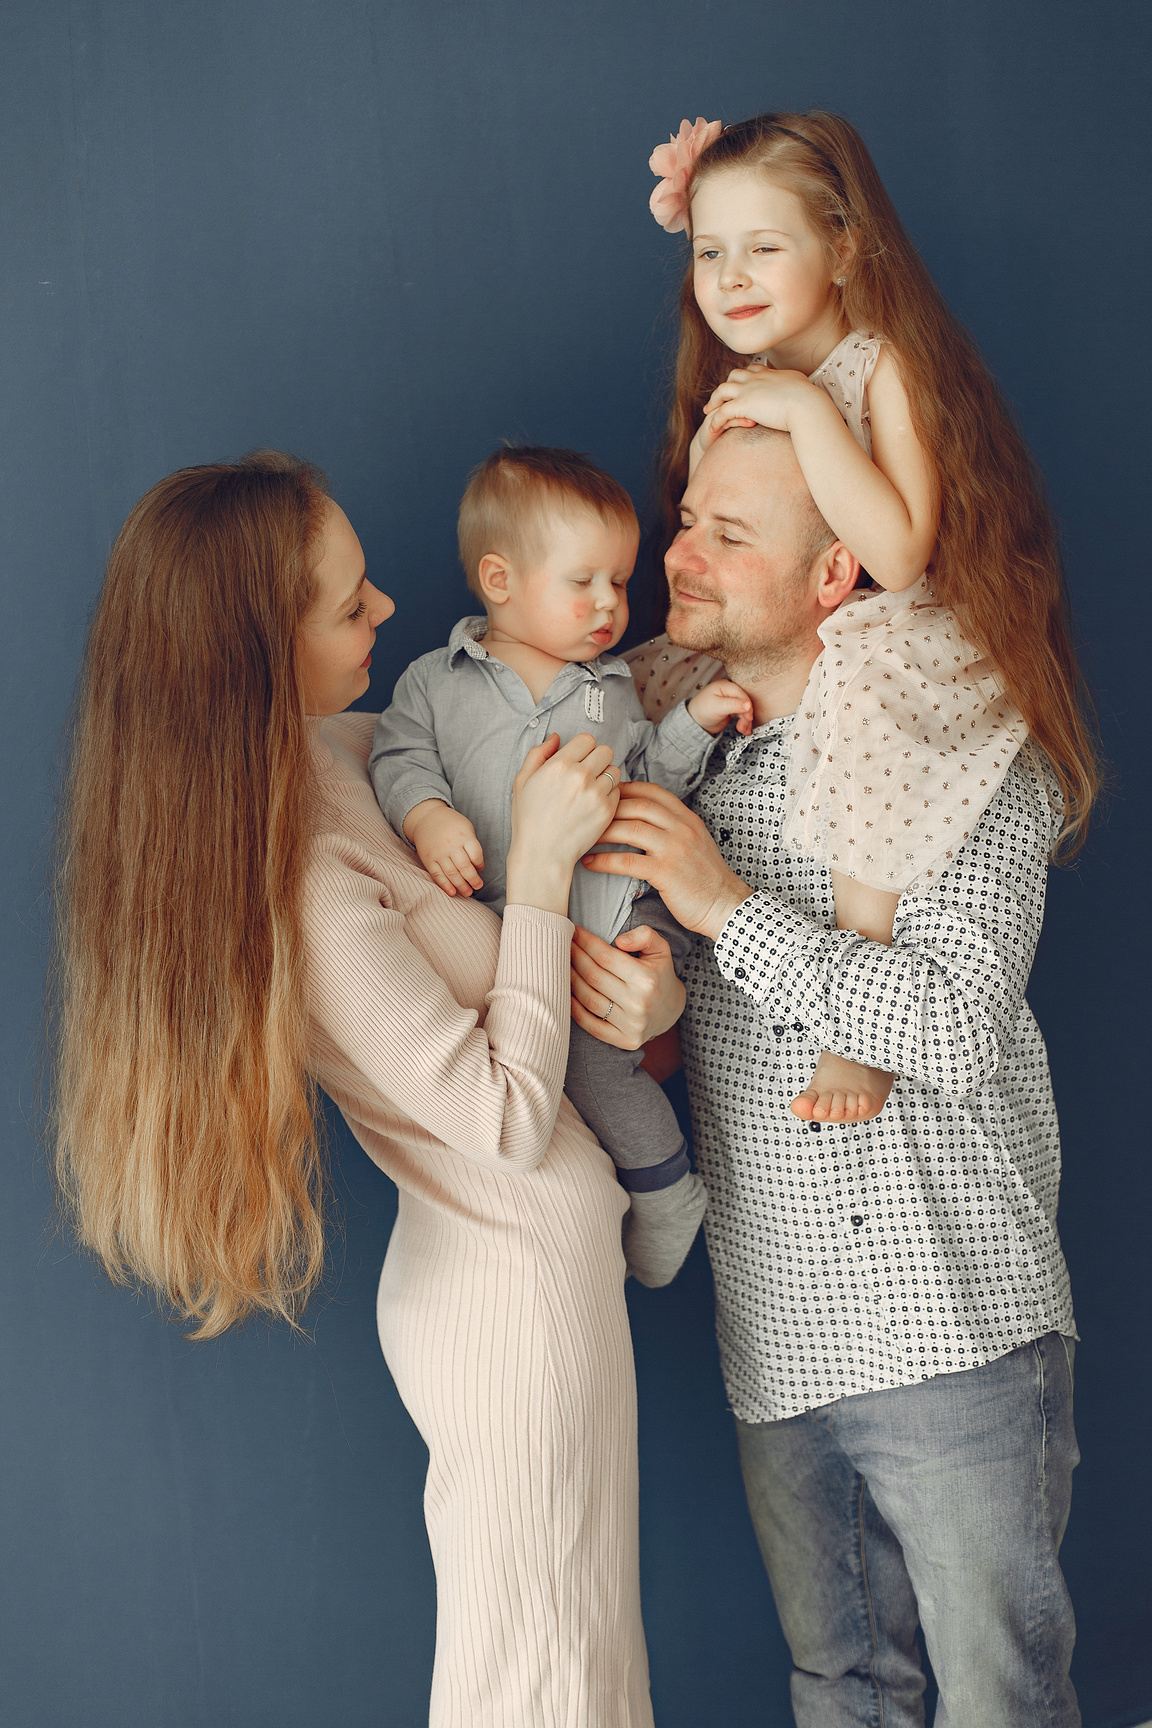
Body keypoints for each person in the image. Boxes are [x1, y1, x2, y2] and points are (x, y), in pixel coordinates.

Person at [51, 450, 683, 1727]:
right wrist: (550, 874)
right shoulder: (299, 878)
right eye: (347, 607)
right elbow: (504, 1117)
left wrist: (651, 998)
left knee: (568, 1663)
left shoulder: (335, 754)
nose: (390, 608)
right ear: (257, 652)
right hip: (511, 1306)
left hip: (531, 1281)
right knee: (549, 1685)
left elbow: (519, 730)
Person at [584, 425, 1095, 1727]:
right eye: (686, 518)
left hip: (950, 1321)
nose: (679, 555)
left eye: (728, 535)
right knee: (842, 1689)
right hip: (773, 1332)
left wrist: (724, 905)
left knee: (1000, 1698)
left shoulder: (968, 746)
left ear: (833, 577)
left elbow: (955, 1030)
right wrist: (657, 1006)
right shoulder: (685, 746)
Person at [634, 110, 1096, 1128]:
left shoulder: (877, 363)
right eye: (711, 251)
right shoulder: (729, 381)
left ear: (843, 248)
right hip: (811, 631)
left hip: (896, 624)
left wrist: (802, 411)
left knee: (867, 716)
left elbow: (895, 554)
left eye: (765, 246)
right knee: (646, 678)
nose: (731, 277)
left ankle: (860, 1015)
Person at [370, 445, 752, 1286]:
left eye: (618, 583)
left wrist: (692, 721)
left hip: (629, 906)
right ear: (500, 582)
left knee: (611, 1047)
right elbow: (398, 760)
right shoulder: (436, 683)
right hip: (530, 929)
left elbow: (649, 772)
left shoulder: (608, 687)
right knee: (570, 1070)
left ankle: (663, 1191)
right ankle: (646, 1184)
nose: (610, 606)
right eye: (584, 582)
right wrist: (428, 817)